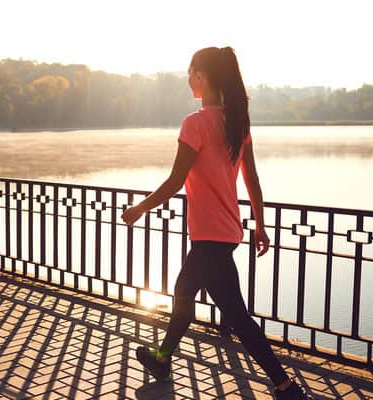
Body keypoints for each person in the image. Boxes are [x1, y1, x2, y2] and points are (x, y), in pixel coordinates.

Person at [121, 47, 308, 399]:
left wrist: (140, 208)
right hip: (225, 232)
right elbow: (252, 178)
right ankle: (163, 359)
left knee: (236, 315)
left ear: (203, 77)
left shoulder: (196, 123)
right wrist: (260, 224)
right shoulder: (237, 122)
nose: (188, 78)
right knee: (183, 293)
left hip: (209, 237)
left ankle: (284, 385)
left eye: (191, 72)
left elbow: (176, 181)